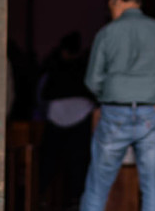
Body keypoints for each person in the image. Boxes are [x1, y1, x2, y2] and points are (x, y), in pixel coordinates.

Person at [80, 0, 155, 211]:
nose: (111, 14)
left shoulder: (107, 33)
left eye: (111, 8)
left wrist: (109, 95)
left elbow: (92, 80)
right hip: (153, 111)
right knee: (153, 188)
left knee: (97, 187)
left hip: (115, 111)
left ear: (119, 3)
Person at [38, 32, 95, 209]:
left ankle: (42, 195)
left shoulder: (54, 67)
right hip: (80, 114)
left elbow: (42, 95)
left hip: (59, 115)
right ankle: (74, 198)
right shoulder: (84, 66)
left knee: (50, 160)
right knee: (78, 160)